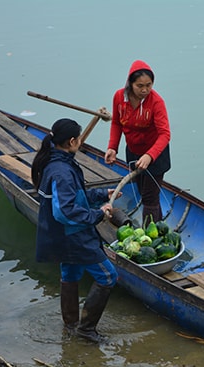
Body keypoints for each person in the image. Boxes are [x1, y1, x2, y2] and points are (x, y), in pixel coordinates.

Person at [31, 118, 119, 343]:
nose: (80, 142)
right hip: (73, 236)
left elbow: (75, 196)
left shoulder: (56, 163)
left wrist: (103, 194)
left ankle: (71, 325)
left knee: (70, 274)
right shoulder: (61, 171)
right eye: (79, 138)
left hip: (59, 236)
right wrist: (98, 215)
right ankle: (86, 330)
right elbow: (67, 212)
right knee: (108, 276)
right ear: (71, 141)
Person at [105, 59, 171, 224]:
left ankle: (149, 238)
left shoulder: (156, 102)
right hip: (134, 152)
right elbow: (116, 123)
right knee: (144, 192)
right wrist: (112, 147)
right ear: (130, 83)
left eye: (149, 85)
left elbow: (164, 134)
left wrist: (150, 156)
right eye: (140, 86)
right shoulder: (119, 97)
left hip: (155, 154)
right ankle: (159, 226)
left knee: (149, 198)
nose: (145, 90)